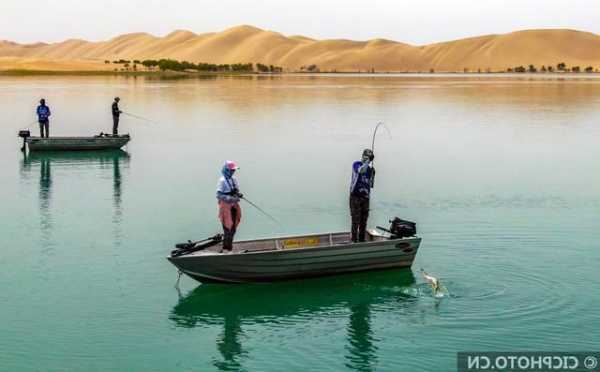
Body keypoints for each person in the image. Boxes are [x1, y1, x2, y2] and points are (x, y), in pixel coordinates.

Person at [349, 149, 375, 242]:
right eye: (365, 156)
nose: (366, 158)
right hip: (355, 196)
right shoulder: (356, 164)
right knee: (355, 220)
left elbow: (371, 185)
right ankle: (354, 240)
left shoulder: (369, 169)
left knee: (364, 221)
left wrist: (373, 174)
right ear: (362, 156)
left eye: (369, 157)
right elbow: (360, 171)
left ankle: (362, 239)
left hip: (365, 198)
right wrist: (367, 163)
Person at [216, 161, 242, 253]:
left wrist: (238, 195)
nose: (233, 172)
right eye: (231, 170)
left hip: (234, 204)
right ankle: (226, 249)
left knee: (234, 225)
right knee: (228, 227)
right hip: (225, 205)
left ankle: (229, 246)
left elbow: (236, 190)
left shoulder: (234, 179)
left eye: (233, 170)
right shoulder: (222, 180)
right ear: (226, 170)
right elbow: (219, 195)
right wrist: (229, 198)